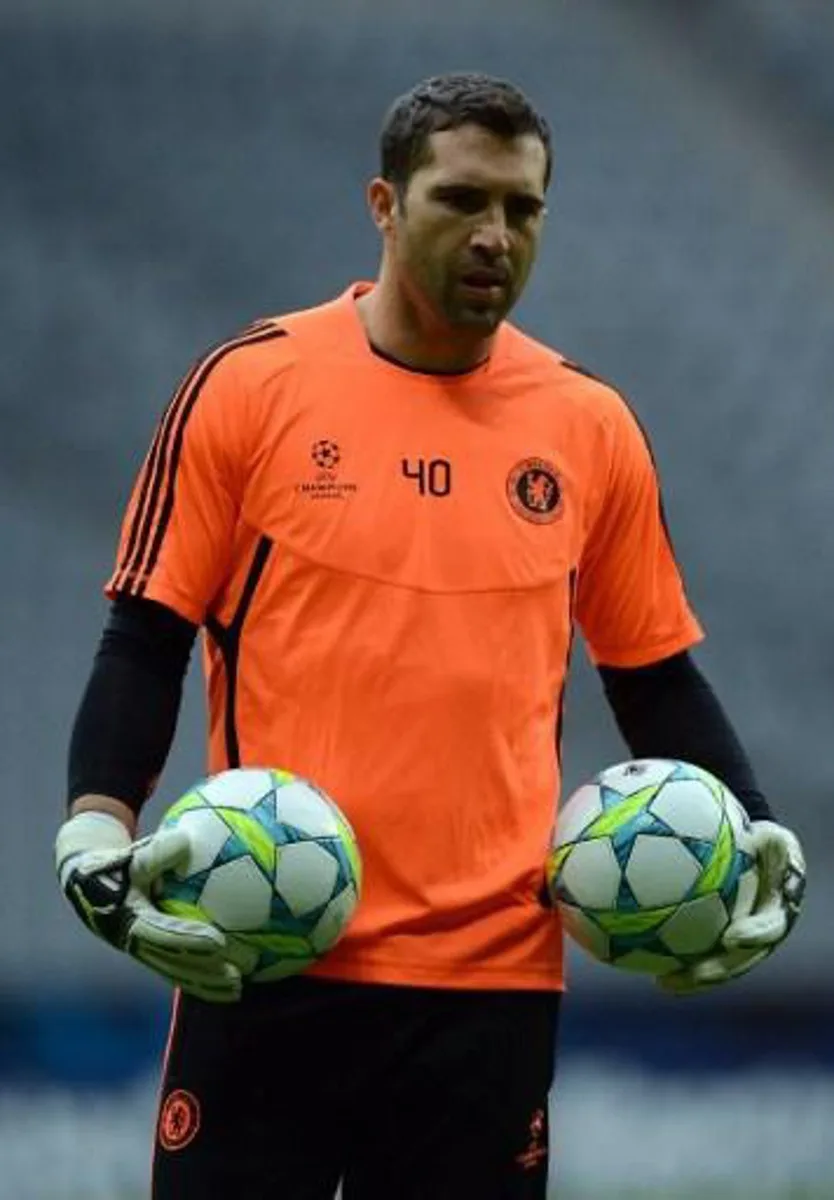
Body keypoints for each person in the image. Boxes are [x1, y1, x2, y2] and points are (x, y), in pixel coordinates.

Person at [55, 73, 806, 1199]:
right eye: (462, 200)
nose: (495, 235)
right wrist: (92, 830)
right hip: (267, 950)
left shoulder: (588, 425)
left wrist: (755, 830)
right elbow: (145, 634)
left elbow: (652, 671)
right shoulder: (248, 389)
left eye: (524, 208)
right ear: (384, 204)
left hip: (492, 987)